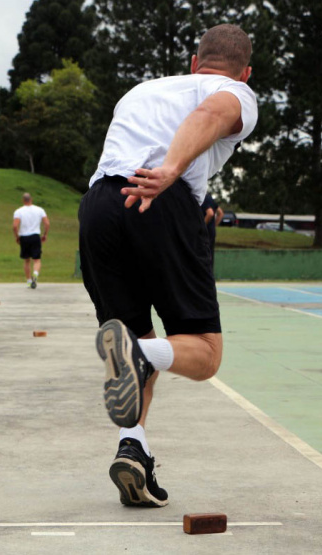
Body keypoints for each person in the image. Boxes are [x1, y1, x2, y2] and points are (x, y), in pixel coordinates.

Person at [78, 24, 257, 508]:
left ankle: (133, 450)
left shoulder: (141, 91)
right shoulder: (234, 91)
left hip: (98, 207)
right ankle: (140, 353)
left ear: (194, 62)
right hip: (157, 198)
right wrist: (170, 171)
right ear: (245, 72)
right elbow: (211, 113)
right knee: (204, 354)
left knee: (135, 342)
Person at [13, 193, 49, 289]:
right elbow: (47, 223)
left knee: (26, 260)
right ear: (31, 199)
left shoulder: (19, 211)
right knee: (37, 260)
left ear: (23, 200)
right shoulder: (39, 210)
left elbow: (15, 226)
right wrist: (45, 234)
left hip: (24, 236)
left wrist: (17, 236)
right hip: (35, 236)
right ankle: (35, 274)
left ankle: (29, 281)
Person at [201, 192, 220, 262]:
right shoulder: (210, 199)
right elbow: (220, 213)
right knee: (210, 255)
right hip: (211, 231)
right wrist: (214, 225)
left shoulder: (203, 198)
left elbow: (210, 213)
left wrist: (201, 227)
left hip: (205, 233)